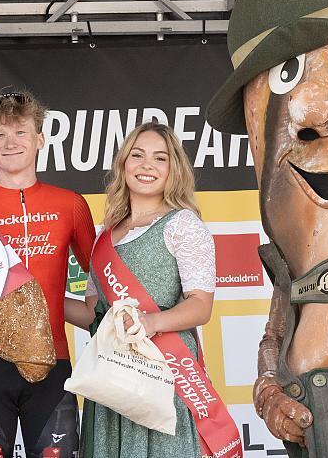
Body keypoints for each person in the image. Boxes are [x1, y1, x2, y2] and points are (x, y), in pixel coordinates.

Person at [206, 0, 328, 455]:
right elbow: (277, 325)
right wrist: (269, 389)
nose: (314, 113)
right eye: (284, 76)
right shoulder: (295, 259)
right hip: (319, 414)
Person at [0, 89, 96, 458]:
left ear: (40, 139)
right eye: (0, 135)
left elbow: (104, 279)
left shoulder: (70, 205)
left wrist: (87, 313)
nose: (11, 143)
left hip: (53, 365)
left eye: (21, 132)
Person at [68, 122, 216, 457]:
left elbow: (200, 306)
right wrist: (46, 300)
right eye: (137, 155)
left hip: (162, 370)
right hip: (111, 378)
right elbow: (95, 313)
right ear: (123, 164)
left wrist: (149, 323)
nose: (147, 165)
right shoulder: (105, 235)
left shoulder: (184, 225)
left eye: (159, 158)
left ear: (172, 169)